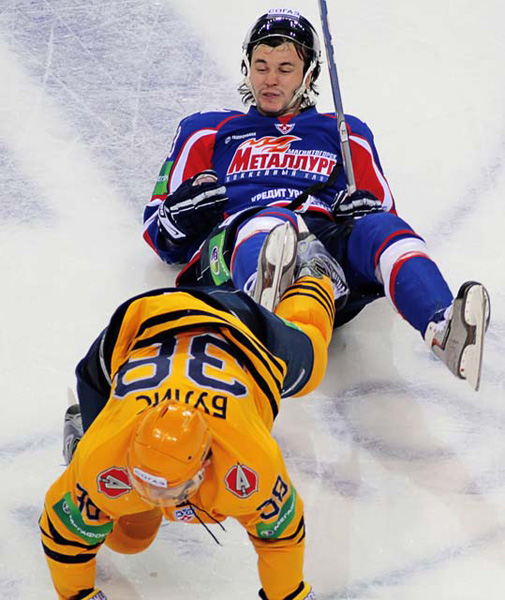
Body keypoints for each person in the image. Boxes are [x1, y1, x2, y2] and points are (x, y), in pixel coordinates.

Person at [142, 7, 489, 390]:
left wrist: (361, 211)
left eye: (285, 69)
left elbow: (382, 211)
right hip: (240, 243)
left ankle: (443, 327)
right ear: (247, 66)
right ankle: (262, 304)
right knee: (271, 223)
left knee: (382, 228)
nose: (270, 79)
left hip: (324, 253)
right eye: (261, 66)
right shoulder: (205, 130)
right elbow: (159, 231)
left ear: (308, 75)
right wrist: (179, 217)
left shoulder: (345, 132)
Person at [40, 235, 340, 600]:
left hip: (240, 328)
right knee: (129, 538)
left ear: (205, 462)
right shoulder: (103, 454)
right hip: (138, 328)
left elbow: (280, 538)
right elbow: (63, 534)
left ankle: (314, 274)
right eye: (148, 486)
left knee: (312, 358)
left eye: (168, 490)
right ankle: (82, 438)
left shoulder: (251, 457)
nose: (160, 499)